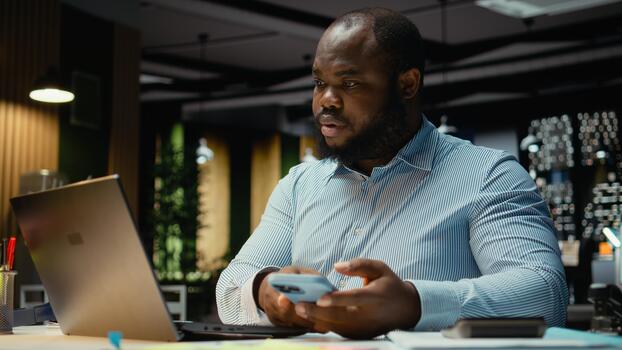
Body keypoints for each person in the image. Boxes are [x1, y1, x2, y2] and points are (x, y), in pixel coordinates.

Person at [216, 7, 567, 339]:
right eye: (319, 83)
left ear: (408, 85)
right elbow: (231, 289)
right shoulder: (298, 186)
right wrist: (266, 291)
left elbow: (544, 294)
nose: (326, 101)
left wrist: (415, 304)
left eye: (349, 84)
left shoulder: (488, 175)